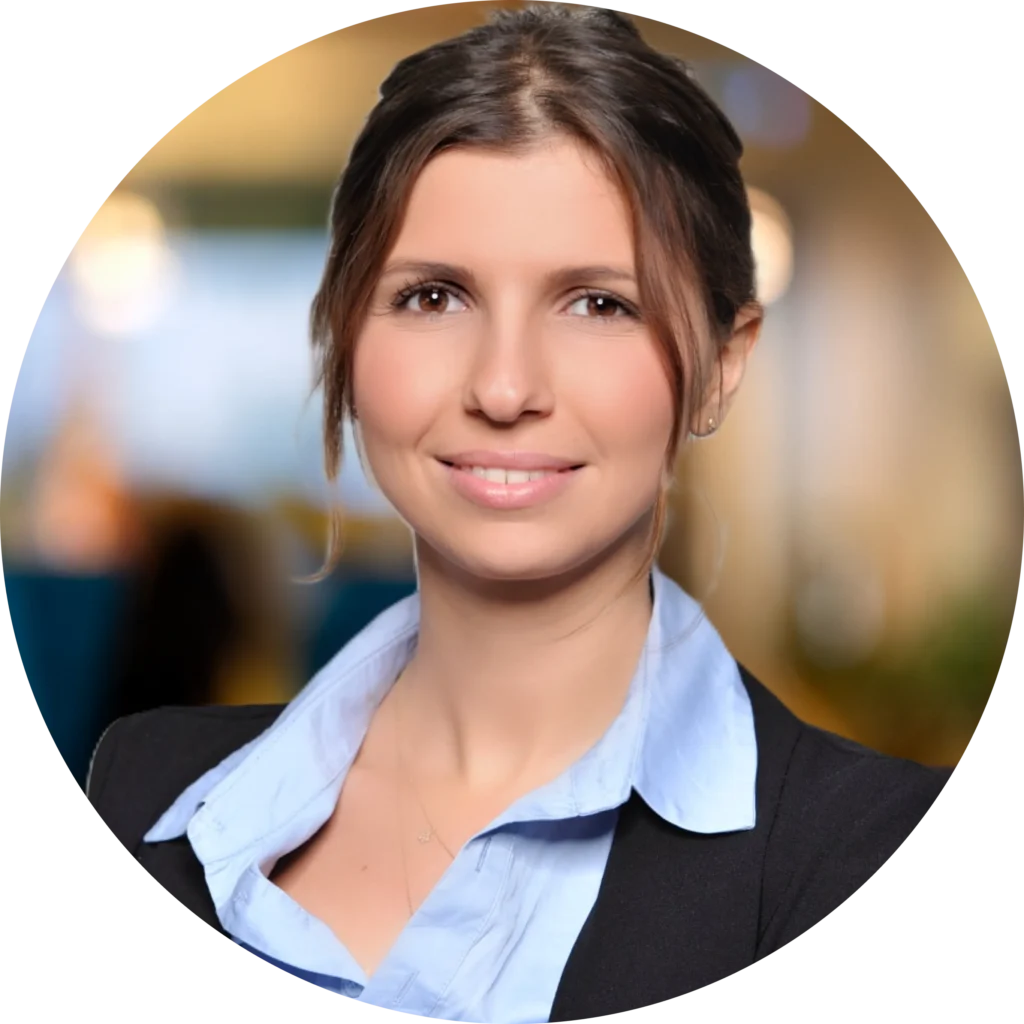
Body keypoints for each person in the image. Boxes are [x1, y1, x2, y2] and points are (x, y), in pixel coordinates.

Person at [85, 6, 952, 1019]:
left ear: (722, 365)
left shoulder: (865, 849)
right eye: (433, 297)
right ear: (346, 342)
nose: (503, 388)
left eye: (598, 303)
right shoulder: (142, 789)